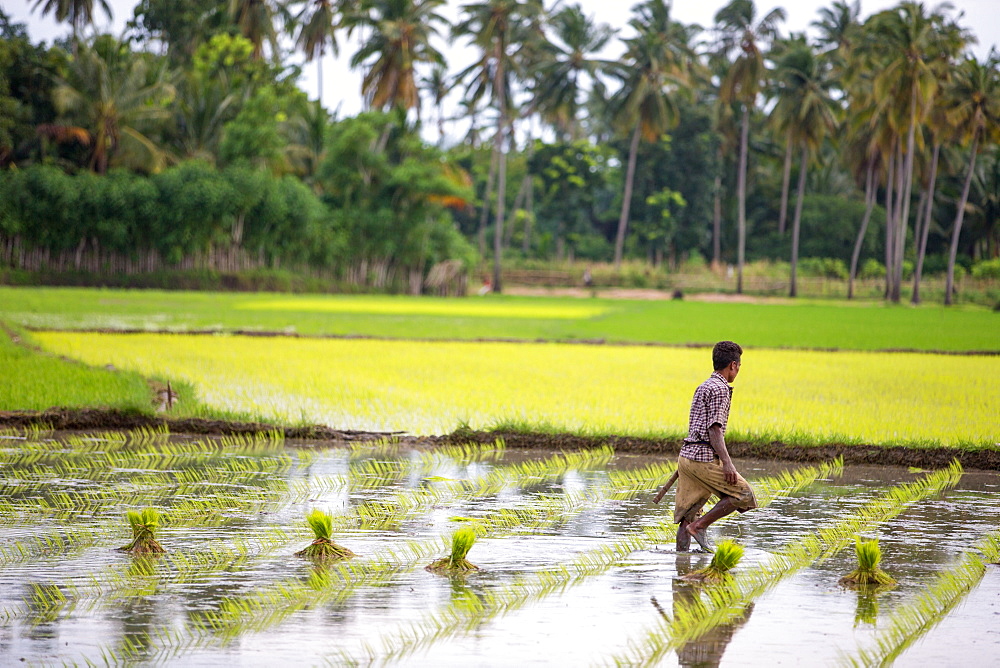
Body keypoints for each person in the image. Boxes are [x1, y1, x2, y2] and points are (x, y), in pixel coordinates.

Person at [675, 341, 757, 552]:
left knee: (687, 515)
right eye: (738, 367)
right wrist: (728, 464)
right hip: (703, 459)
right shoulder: (721, 389)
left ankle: (681, 563)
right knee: (744, 495)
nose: (737, 371)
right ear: (733, 365)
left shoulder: (704, 385)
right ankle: (699, 527)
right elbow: (714, 430)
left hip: (687, 458)